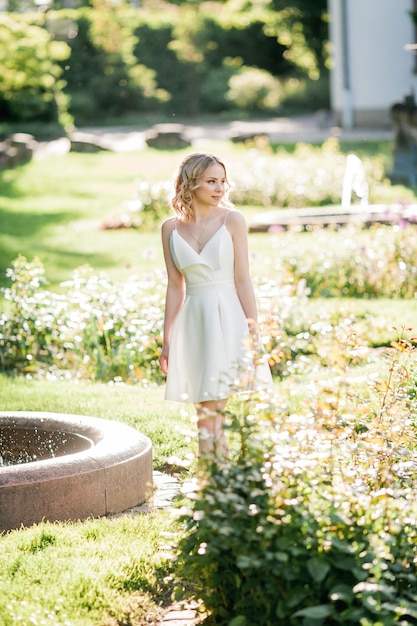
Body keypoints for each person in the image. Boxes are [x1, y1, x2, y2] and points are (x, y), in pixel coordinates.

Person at [159, 152, 273, 457]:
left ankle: (211, 477)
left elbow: (243, 280)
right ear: (191, 183)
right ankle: (215, 478)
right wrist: (167, 339)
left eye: (223, 181)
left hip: (228, 318)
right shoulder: (170, 229)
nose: (220, 188)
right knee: (205, 409)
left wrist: (253, 330)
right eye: (211, 181)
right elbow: (175, 285)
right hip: (194, 320)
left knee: (212, 409)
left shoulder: (233, 220)